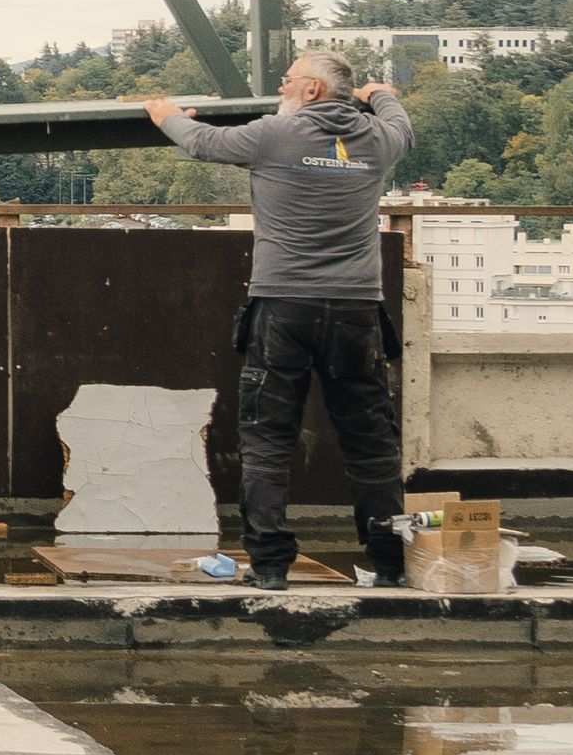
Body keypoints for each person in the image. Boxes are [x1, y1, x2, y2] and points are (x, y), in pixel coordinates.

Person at [144, 48, 412, 590]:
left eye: (288, 82)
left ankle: (269, 568)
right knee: (372, 443)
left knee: (267, 439)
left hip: (284, 307)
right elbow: (399, 119)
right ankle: (388, 562)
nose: (280, 91)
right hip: (357, 311)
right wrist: (378, 94)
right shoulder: (380, 141)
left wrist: (164, 113)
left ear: (311, 91)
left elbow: (202, 142)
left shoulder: (272, 136)